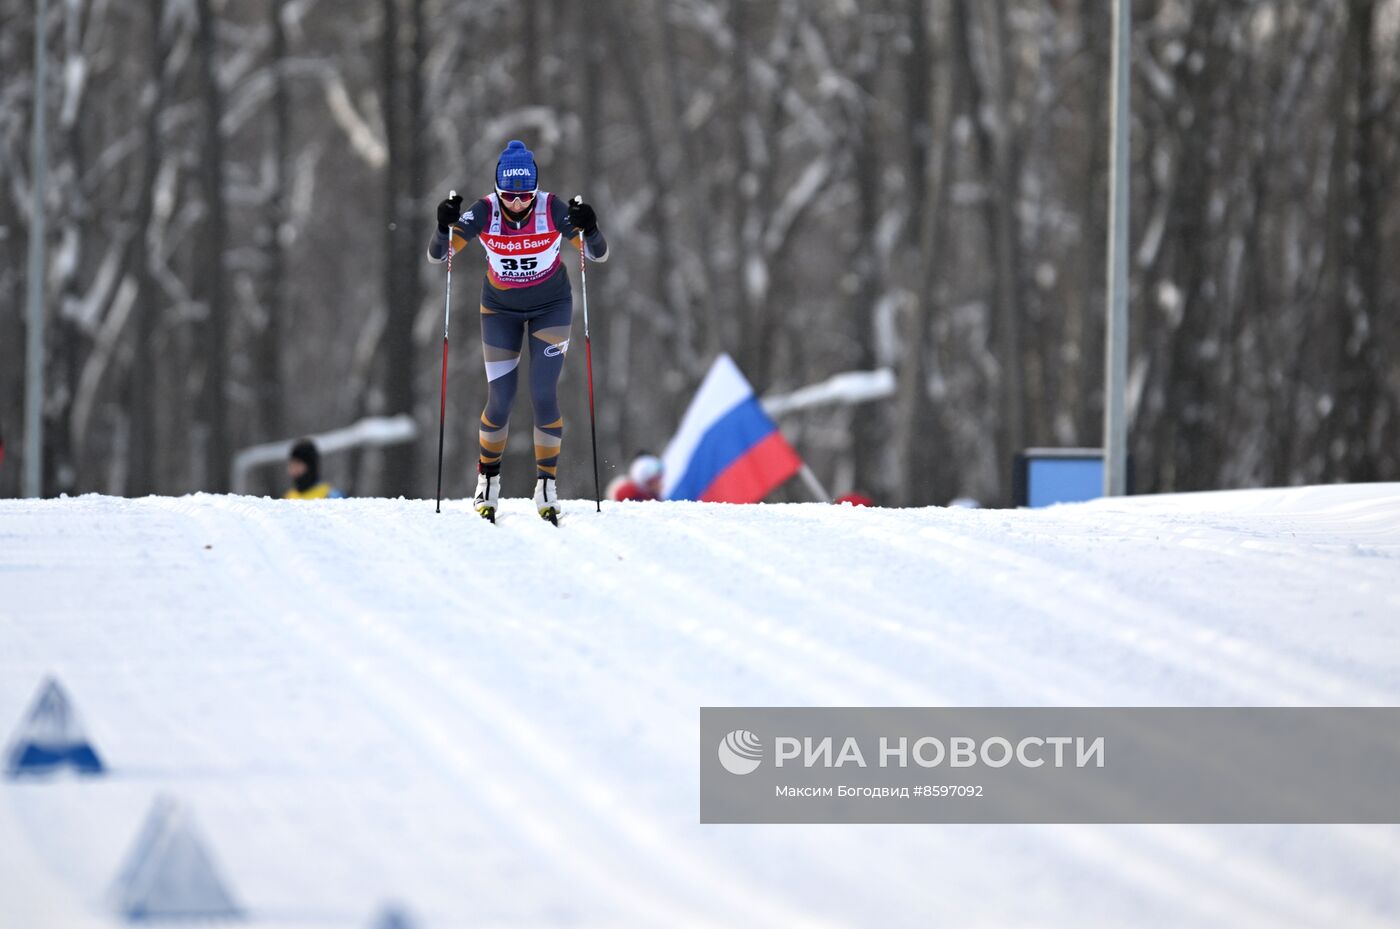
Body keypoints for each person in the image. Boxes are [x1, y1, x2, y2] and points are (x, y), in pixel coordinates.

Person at [428, 140, 608, 523]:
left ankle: (546, 484)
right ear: (498, 191)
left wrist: (589, 226)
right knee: (501, 399)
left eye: (524, 195)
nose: (516, 204)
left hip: (551, 307)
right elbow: (439, 254)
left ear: (534, 190)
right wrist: (443, 225)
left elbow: (598, 253)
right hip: (500, 311)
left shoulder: (551, 209)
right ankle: (488, 480)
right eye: (509, 196)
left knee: (543, 392)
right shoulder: (485, 211)